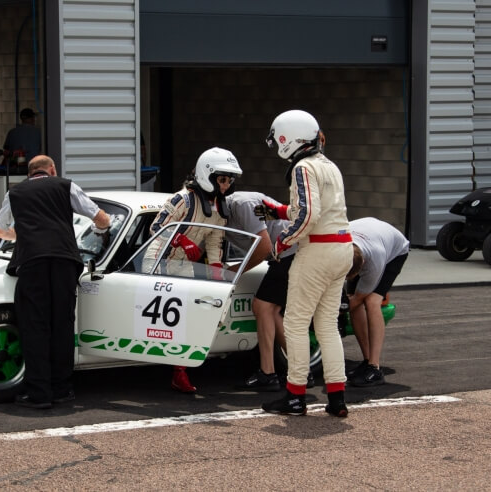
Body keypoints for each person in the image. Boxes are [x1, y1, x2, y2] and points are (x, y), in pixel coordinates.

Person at [0, 155, 111, 409]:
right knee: (62, 323)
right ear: (52, 170)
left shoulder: (15, 193)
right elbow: (101, 217)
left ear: (29, 173)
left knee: (35, 325)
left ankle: (39, 393)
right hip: (65, 260)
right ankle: (62, 389)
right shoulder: (65, 185)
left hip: (32, 260)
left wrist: (24, 234)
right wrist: (101, 232)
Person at [261, 109, 353, 418]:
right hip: (342, 246)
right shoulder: (329, 165)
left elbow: (309, 216)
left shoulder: (302, 168)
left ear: (289, 138)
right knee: (327, 324)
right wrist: (281, 210)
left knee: (296, 323)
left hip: (317, 251)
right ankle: (337, 397)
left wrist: (283, 239)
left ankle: (295, 396)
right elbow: (318, 209)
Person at [144, 146, 242, 393]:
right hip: (158, 260)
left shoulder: (221, 206)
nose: (225, 185)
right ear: (206, 175)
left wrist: (218, 271)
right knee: (155, 317)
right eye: (222, 179)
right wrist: (180, 239)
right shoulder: (182, 199)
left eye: (229, 180)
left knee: (186, 316)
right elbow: (156, 228)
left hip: (184, 265)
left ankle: (179, 372)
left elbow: (213, 240)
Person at [225, 191, 304, 392]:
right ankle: (299, 371)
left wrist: (235, 270)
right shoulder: (224, 210)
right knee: (269, 310)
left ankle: (270, 373)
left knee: (262, 306)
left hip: (291, 251)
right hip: (284, 253)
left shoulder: (243, 204)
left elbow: (264, 246)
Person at [345, 217, 409, 386]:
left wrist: (334, 313)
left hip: (395, 250)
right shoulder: (337, 245)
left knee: (371, 300)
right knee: (352, 299)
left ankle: (374, 367)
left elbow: (358, 299)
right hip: (363, 237)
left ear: (363, 265)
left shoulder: (375, 260)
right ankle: (366, 360)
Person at [3, 108, 42, 173]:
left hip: (15, 170)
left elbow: (6, 152)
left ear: (21, 119)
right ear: (32, 118)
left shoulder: (12, 132)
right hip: (34, 168)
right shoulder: (39, 132)